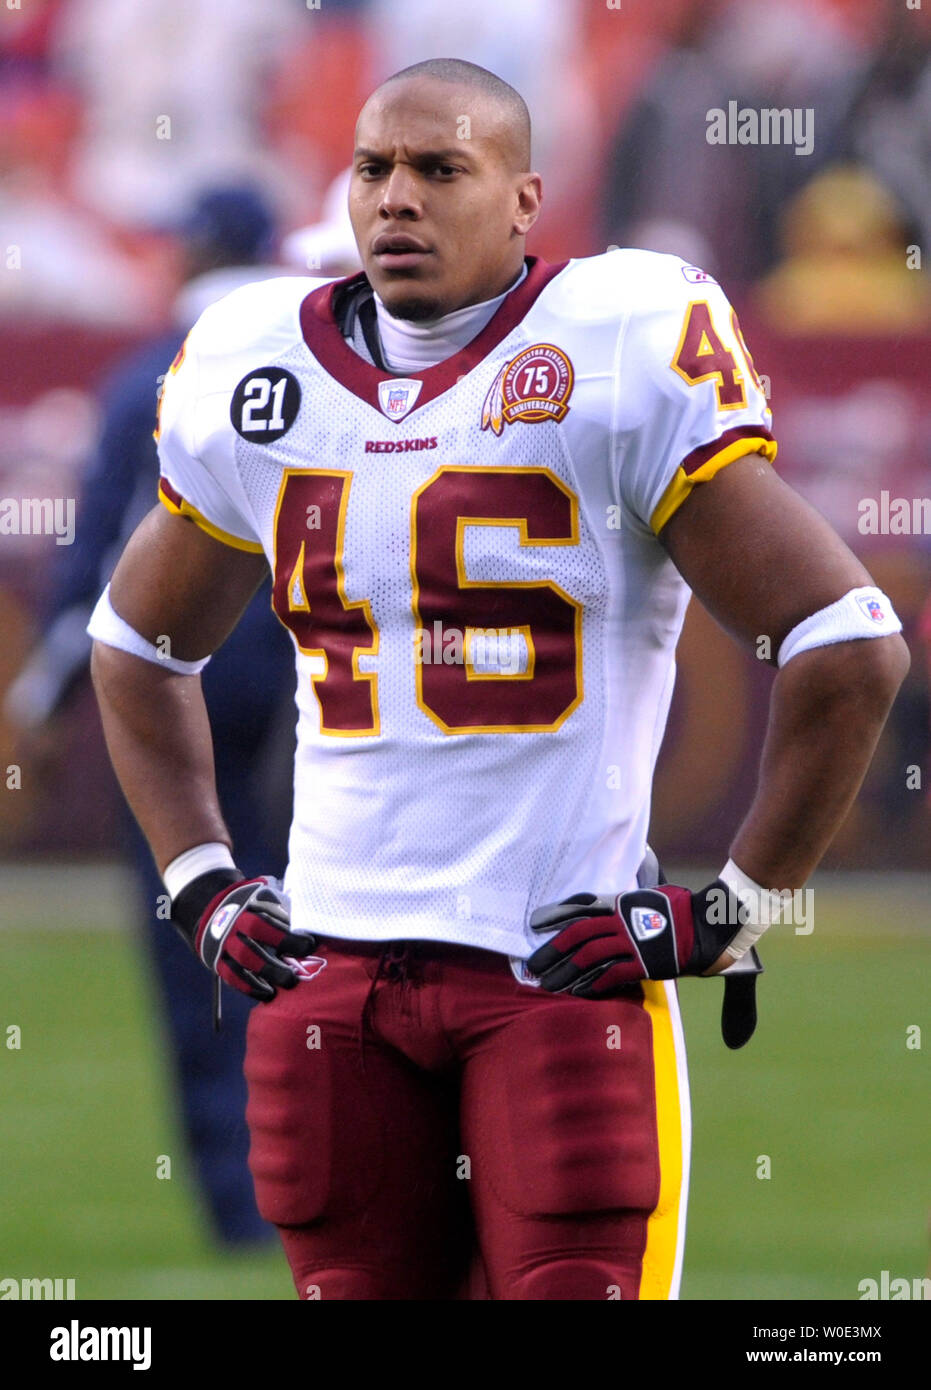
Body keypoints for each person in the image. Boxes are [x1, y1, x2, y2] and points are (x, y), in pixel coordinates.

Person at [87, 59, 909, 1301]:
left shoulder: (618, 343)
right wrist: (202, 880)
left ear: (525, 199)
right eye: (373, 171)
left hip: (551, 969)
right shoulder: (260, 368)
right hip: (334, 974)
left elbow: (847, 640)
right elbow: (138, 645)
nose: (396, 201)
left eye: (438, 170)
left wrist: (733, 905)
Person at [6, 185, 294, 1246]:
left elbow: (100, 573)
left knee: (201, 928)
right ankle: (335, 1166)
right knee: (322, 927)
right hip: (312, 684)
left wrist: (40, 698)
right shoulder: (316, 368)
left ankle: (239, 1196)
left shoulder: (149, 380)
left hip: (175, 681)